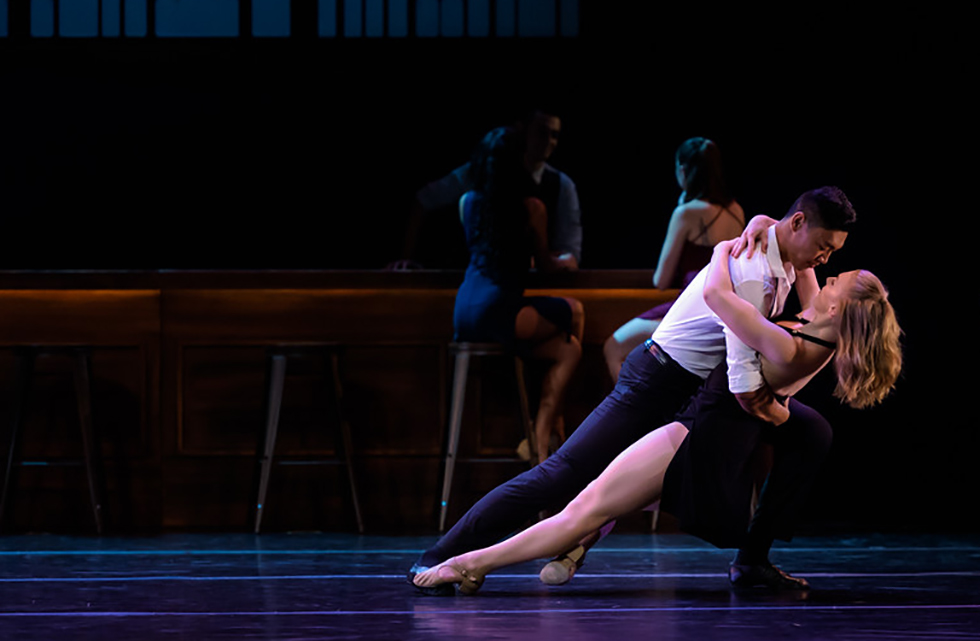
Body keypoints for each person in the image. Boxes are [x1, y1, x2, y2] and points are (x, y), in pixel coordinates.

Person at [408, 185, 857, 594]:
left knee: (810, 432)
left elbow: (814, 306)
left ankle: (747, 560)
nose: (825, 259)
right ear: (798, 223)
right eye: (823, 246)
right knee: (561, 474)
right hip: (657, 381)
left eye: (832, 252)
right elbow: (743, 383)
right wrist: (775, 411)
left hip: (693, 388)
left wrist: (761, 221)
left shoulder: (783, 256)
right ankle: (444, 554)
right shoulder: (754, 274)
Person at [452, 126, 584, 465]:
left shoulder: (468, 203)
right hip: (499, 308)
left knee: (568, 349)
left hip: (464, 311)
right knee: (574, 311)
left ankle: (542, 436)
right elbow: (545, 265)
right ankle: (546, 434)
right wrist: (564, 262)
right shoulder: (531, 208)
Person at [603, 137, 745, 382]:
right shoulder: (737, 212)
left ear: (683, 170)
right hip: (721, 313)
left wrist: (681, 205)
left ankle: (632, 406)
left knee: (613, 348)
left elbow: (661, 280)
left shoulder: (686, 213)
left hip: (690, 310)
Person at [390, 107, 583, 270]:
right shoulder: (528, 205)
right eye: (541, 132)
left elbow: (567, 248)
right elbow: (426, 199)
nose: (548, 141)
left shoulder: (468, 201)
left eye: (554, 135)